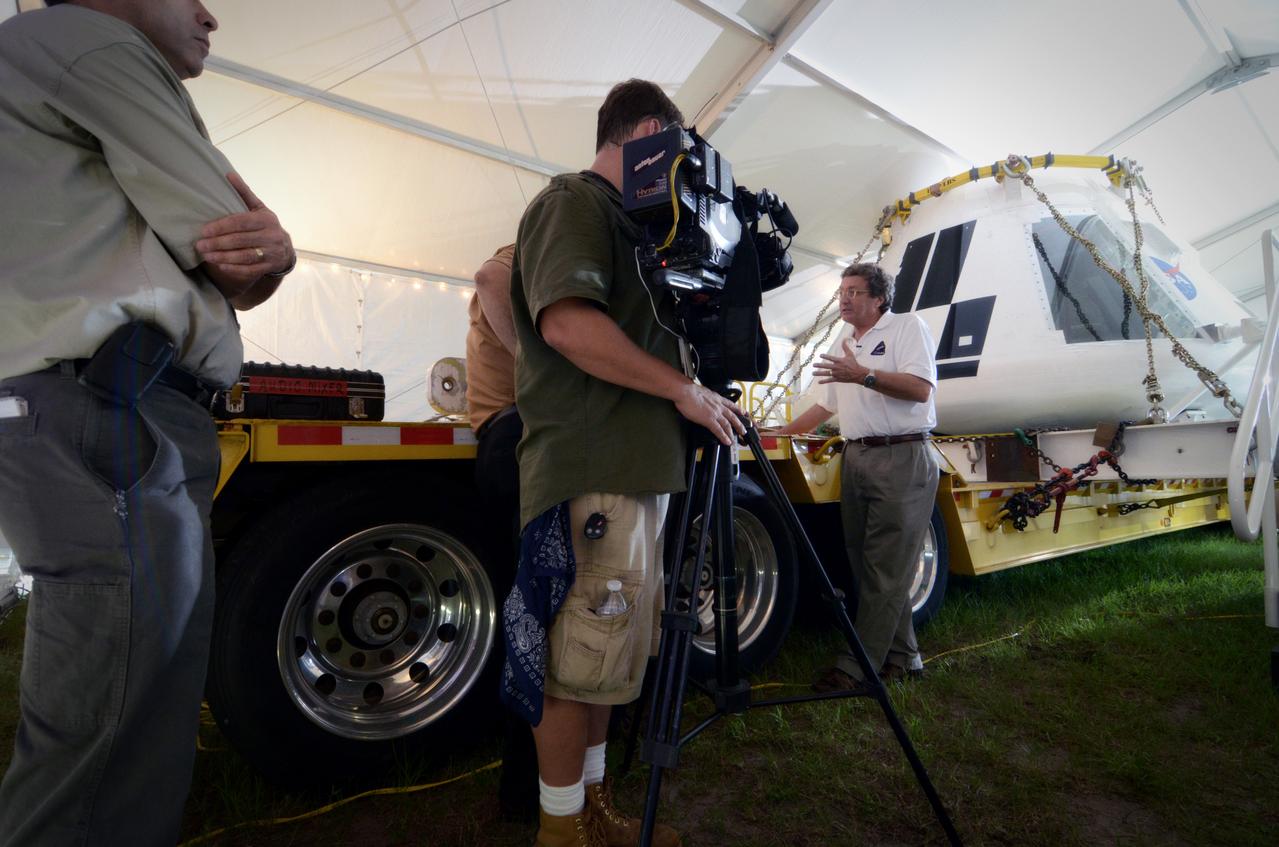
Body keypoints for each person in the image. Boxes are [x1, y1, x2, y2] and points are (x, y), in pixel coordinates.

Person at [0, 2, 295, 844]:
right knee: (112, 734)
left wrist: (255, 261)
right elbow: (231, 239)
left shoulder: (33, 60)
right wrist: (276, 252)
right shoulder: (96, 43)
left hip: (85, 404)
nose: (209, 16)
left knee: (119, 712)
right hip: (106, 407)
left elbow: (233, 259)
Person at [501, 79, 745, 847]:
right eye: (673, 149)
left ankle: (592, 806)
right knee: (576, 661)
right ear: (647, 131)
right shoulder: (571, 201)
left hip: (635, 472)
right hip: (592, 467)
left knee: (608, 660)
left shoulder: (633, 226)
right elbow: (569, 324)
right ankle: (561, 829)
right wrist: (682, 390)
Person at [777, 263, 938, 689]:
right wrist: (775, 433)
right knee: (868, 567)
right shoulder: (845, 339)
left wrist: (863, 375)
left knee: (885, 569)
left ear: (879, 298)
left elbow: (920, 388)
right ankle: (905, 658)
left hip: (902, 456)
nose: (844, 299)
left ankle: (856, 668)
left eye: (854, 291)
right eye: (842, 291)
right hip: (857, 457)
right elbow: (824, 406)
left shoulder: (906, 327)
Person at [465, 243, 540, 821]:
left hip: (520, 433)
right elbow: (490, 277)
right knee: (538, 610)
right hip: (517, 432)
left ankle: (529, 775)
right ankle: (527, 787)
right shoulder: (524, 249)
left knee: (527, 604)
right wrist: (544, 363)